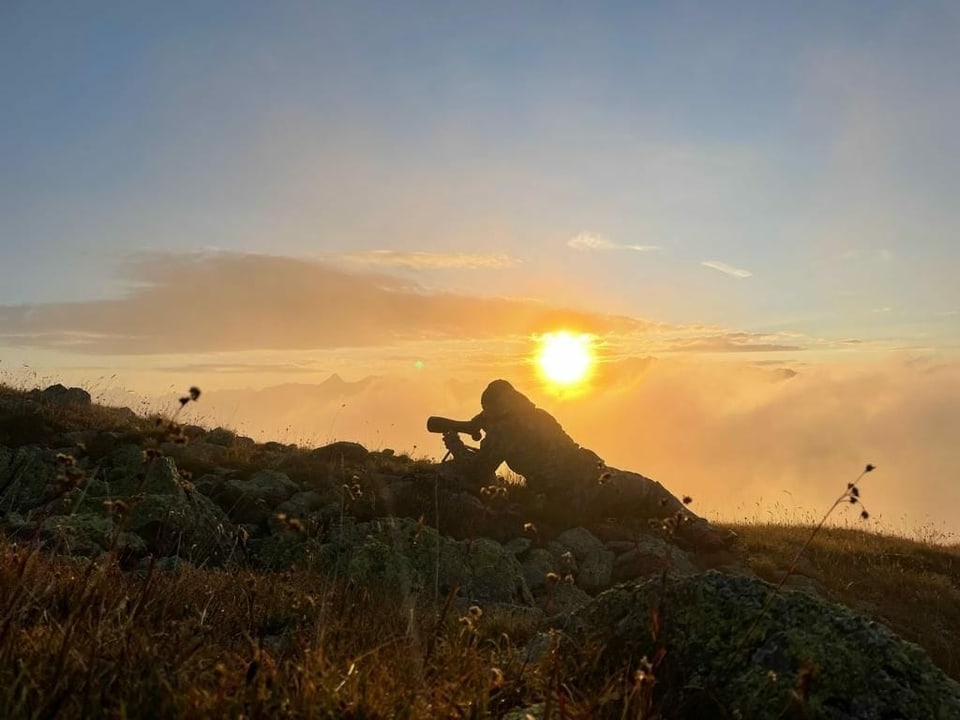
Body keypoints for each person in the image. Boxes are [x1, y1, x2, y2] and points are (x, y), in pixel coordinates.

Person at [448, 379, 736, 551]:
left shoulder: (503, 431)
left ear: (494, 408)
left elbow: (477, 473)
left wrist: (456, 446)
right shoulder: (538, 416)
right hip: (597, 480)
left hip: (564, 503)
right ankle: (705, 537)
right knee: (650, 492)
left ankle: (694, 540)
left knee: (642, 503)